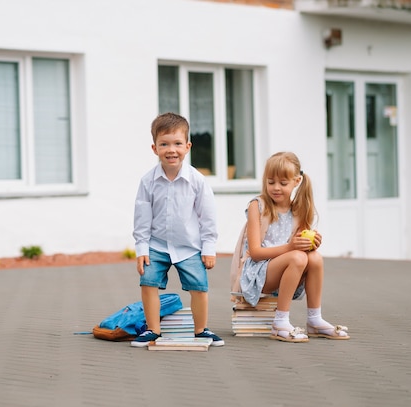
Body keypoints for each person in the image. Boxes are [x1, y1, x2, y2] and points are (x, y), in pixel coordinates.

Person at [131, 112, 224, 348]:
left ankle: (201, 329)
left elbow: (208, 217)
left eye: (177, 144)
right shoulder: (148, 181)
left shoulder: (197, 180)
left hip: (189, 246)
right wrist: (142, 248)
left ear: (188, 146)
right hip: (156, 245)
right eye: (164, 144)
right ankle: (153, 330)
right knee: (148, 281)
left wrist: (209, 247)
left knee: (199, 286)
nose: (171, 150)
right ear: (154, 148)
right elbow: (142, 218)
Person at [239, 151, 349, 343]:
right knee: (297, 257)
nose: (275, 188)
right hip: (257, 273)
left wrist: (311, 244)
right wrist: (292, 247)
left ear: (296, 181)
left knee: (314, 257)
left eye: (283, 183)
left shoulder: (298, 209)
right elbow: (256, 253)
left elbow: (301, 250)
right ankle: (280, 322)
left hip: (286, 268)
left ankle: (314, 320)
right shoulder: (258, 206)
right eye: (271, 181)